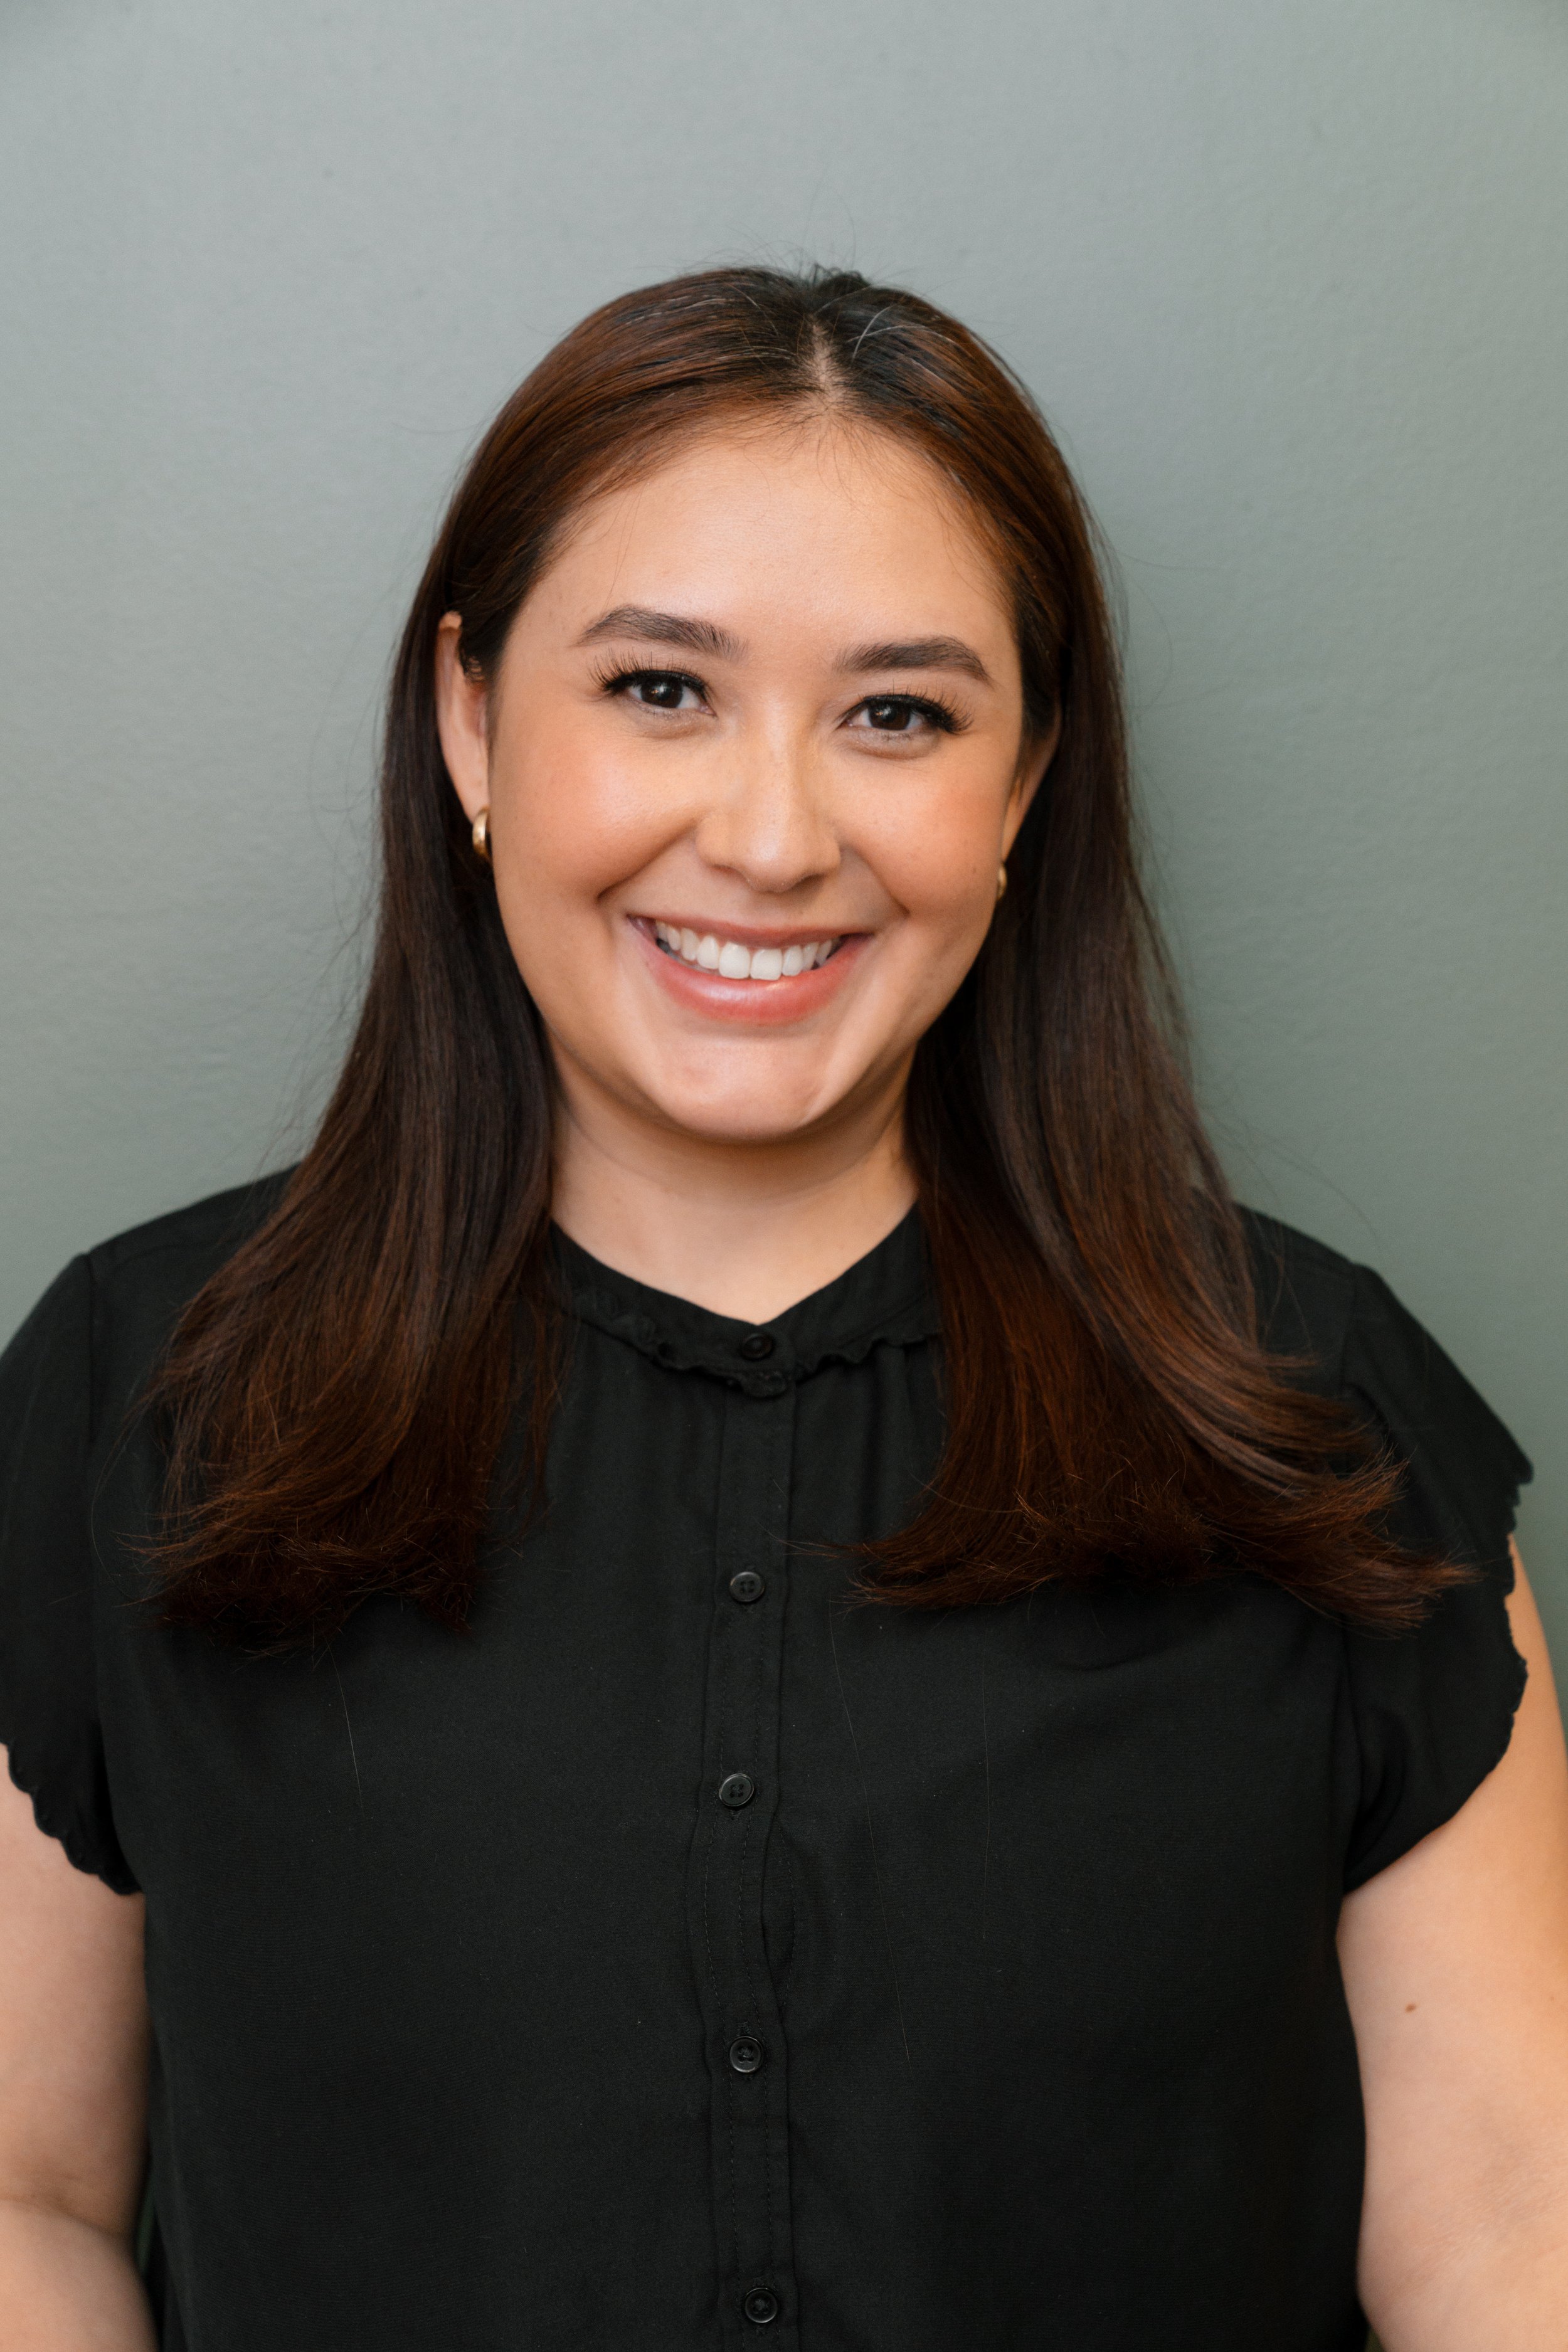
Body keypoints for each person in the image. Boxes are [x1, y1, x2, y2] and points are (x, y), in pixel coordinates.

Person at [1, 265, 1564, 2352]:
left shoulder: (1314, 1407)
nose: (767, 835)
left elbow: (1507, 2233)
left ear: (1020, 788)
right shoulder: (137, 1383)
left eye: (899, 714)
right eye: (660, 689)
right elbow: (21, 2190)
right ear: (472, 720)